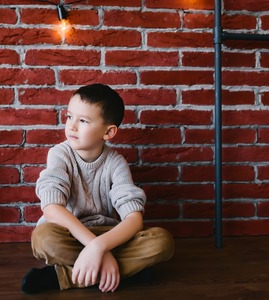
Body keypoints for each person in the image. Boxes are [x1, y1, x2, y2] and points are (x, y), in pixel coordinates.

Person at [21, 83, 174, 294]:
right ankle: (120, 271)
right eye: (69, 117)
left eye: (83, 121)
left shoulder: (116, 163)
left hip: (108, 235)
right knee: (43, 238)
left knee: (162, 242)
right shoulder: (59, 154)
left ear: (108, 132)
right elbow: (51, 209)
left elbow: (134, 219)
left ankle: (64, 277)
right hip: (69, 233)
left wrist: (99, 247)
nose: (72, 126)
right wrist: (100, 250)